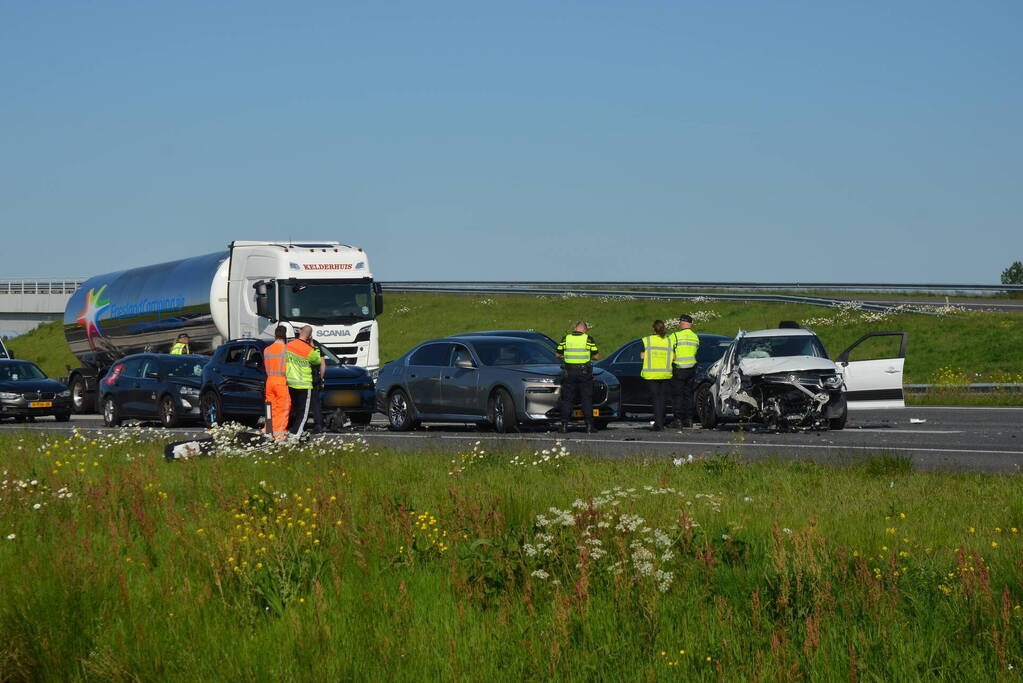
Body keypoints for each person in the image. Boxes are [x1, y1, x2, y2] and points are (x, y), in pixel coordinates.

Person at [555, 321, 599, 433]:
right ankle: (589, 426)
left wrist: (566, 356)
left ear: (575, 328)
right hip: (584, 372)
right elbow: (596, 357)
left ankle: (564, 426)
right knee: (586, 399)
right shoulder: (588, 339)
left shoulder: (566, 338)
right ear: (585, 330)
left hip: (569, 372)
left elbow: (557, 354)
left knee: (567, 399)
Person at [286, 325, 325, 436]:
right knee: (303, 413)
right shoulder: (309, 349)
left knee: (297, 410)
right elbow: (318, 361)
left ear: (299, 332)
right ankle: (296, 434)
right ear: (309, 336)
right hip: (304, 384)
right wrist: (312, 344)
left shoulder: (289, 346)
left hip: (291, 383)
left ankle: (294, 431)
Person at [639, 320, 673, 431]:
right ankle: (660, 422)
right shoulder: (669, 341)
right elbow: (674, 357)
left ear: (653, 329)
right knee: (662, 399)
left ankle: (658, 424)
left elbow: (642, 356)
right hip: (665, 373)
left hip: (652, 374)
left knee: (656, 399)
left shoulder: (647, 340)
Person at [668, 314, 700, 429]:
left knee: (678, 395)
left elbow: (668, 351)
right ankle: (689, 420)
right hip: (691, 369)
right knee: (688, 395)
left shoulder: (675, 336)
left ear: (681, 323)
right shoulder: (695, 337)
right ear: (690, 324)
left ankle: (678, 420)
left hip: (679, 369)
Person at [262, 326, 291, 439]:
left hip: (269, 381)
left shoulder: (267, 349)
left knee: (270, 406)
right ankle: (279, 433)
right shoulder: (287, 349)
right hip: (281, 381)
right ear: (285, 336)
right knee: (283, 407)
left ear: (275, 335)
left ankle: (268, 430)